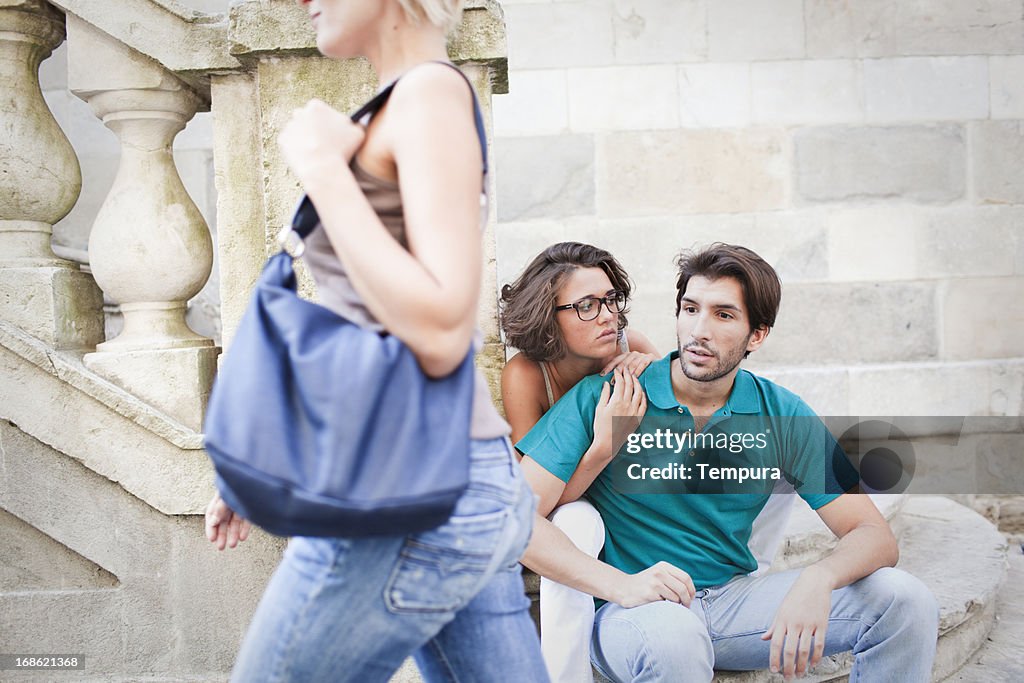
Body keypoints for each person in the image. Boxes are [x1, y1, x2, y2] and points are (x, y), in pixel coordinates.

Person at [203, 1, 549, 681]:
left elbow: (445, 330)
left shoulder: (427, 95)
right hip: (446, 475)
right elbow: (365, 321)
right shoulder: (405, 101)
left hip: (414, 494)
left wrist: (323, 170)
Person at [516, 243, 939, 682]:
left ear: (757, 335)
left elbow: (873, 534)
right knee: (675, 636)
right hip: (634, 614)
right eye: (690, 308)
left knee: (904, 601)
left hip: (734, 603)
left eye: (723, 315)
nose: (699, 329)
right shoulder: (608, 396)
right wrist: (618, 584)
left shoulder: (781, 413)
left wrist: (819, 577)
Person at [499, 242, 796, 683]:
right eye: (586, 306)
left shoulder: (631, 345)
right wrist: (604, 445)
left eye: (611, 299)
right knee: (576, 525)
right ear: (549, 314)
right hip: (572, 495)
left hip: (621, 480)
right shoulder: (526, 374)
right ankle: (565, 671)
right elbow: (544, 497)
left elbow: (666, 427)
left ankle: (746, 571)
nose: (606, 315)